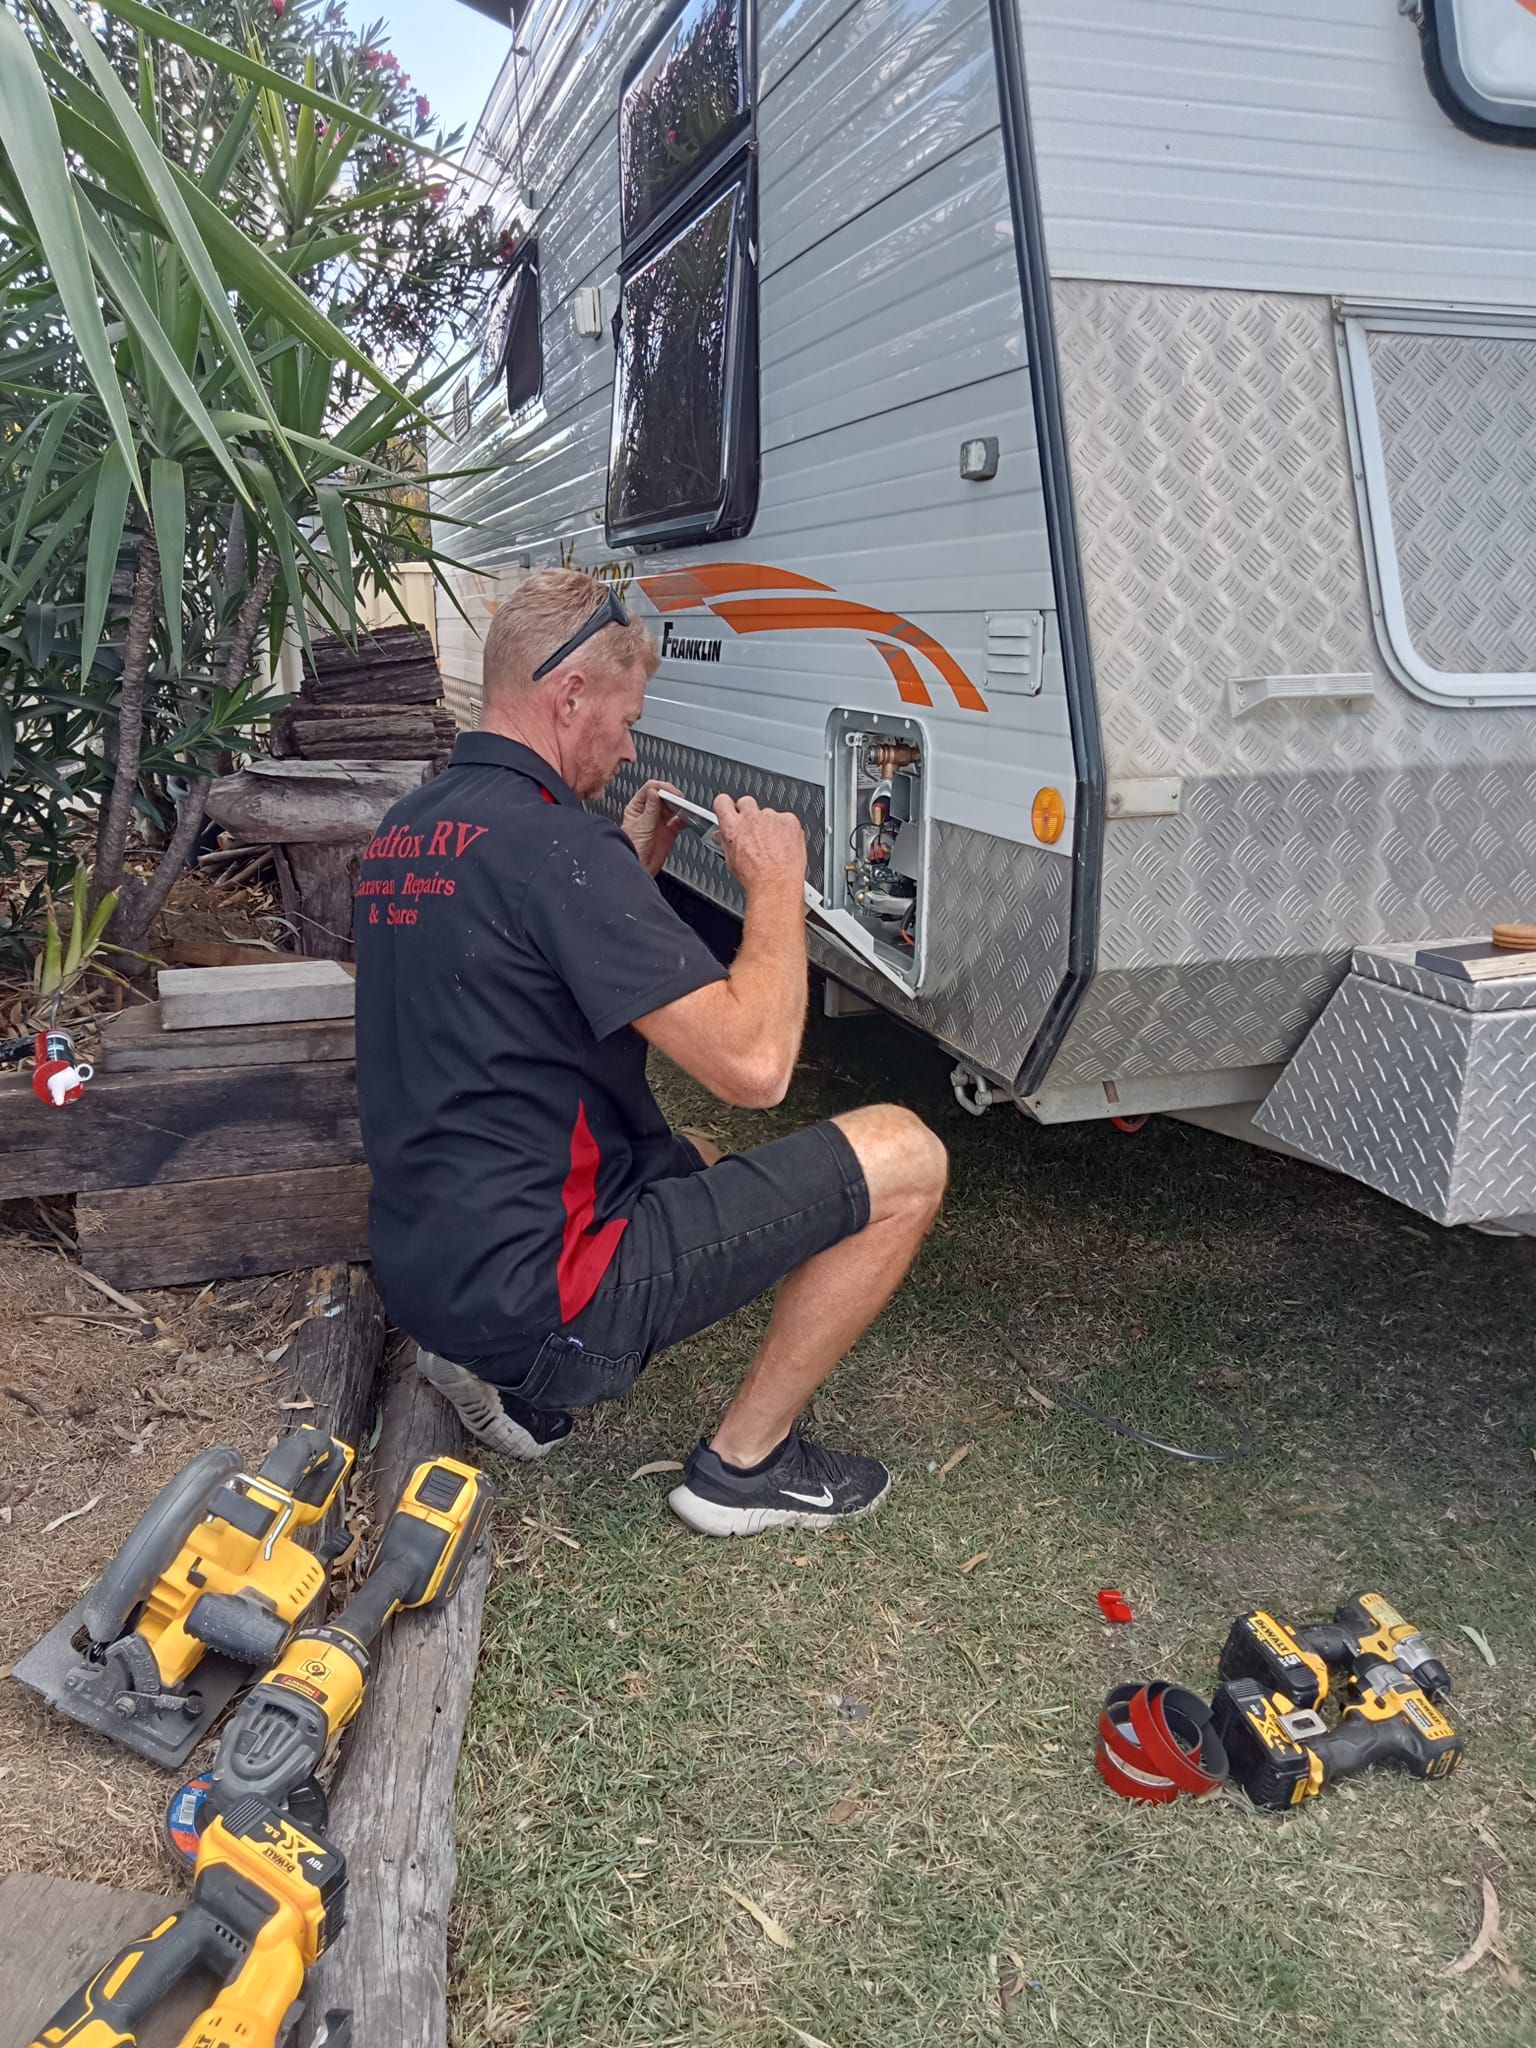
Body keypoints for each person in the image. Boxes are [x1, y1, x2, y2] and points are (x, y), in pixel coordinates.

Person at [352, 568, 947, 1536]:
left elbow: (511, 979)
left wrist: (631, 869)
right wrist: (775, 886)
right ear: (570, 693)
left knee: (701, 1161)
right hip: (547, 1298)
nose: (628, 747)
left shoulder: (409, 831)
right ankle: (743, 1469)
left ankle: (502, 1379)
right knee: (905, 1153)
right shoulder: (559, 849)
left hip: (432, 1271)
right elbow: (756, 1066)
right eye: (625, 719)